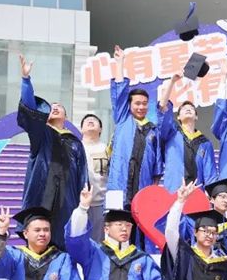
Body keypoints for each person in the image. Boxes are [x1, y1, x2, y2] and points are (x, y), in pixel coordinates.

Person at [17, 55, 88, 249]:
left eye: (59, 107)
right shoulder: (41, 134)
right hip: (42, 193)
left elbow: (82, 173)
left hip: (67, 197)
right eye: (52, 107)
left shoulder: (75, 142)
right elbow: (30, 111)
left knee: (64, 238)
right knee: (39, 237)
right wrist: (26, 80)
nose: (55, 108)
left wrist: (83, 198)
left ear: (66, 116)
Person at [107, 45, 171, 210]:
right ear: (129, 105)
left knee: (140, 220)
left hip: (143, 185)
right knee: (116, 219)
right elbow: (119, 92)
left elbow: (157, 163)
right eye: (137, 103)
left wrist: (153, 188)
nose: (141, 107)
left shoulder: (152, 130)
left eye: (144, 103)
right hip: (118, 182)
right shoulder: (123, 119)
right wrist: (120, 63)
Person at [160, 92, 218, 193]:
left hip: (196, 193)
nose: (188, 109)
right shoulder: (172, 133)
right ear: (178, 117)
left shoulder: (205, 143)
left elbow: (210, 174)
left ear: (196, 117)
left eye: (191, 108)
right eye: (184, 108)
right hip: (173, 191)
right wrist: (170, 85)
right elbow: (163, 111)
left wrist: (211, 194)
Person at [80, 114, 109, 242]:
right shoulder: (75, 147)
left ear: (101, 129)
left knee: (98, 242)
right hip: (78, 203)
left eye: (95, 120)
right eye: (87, 120)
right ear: (81, 129)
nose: (91, 120)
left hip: (100, 204)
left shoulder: (107, 149)